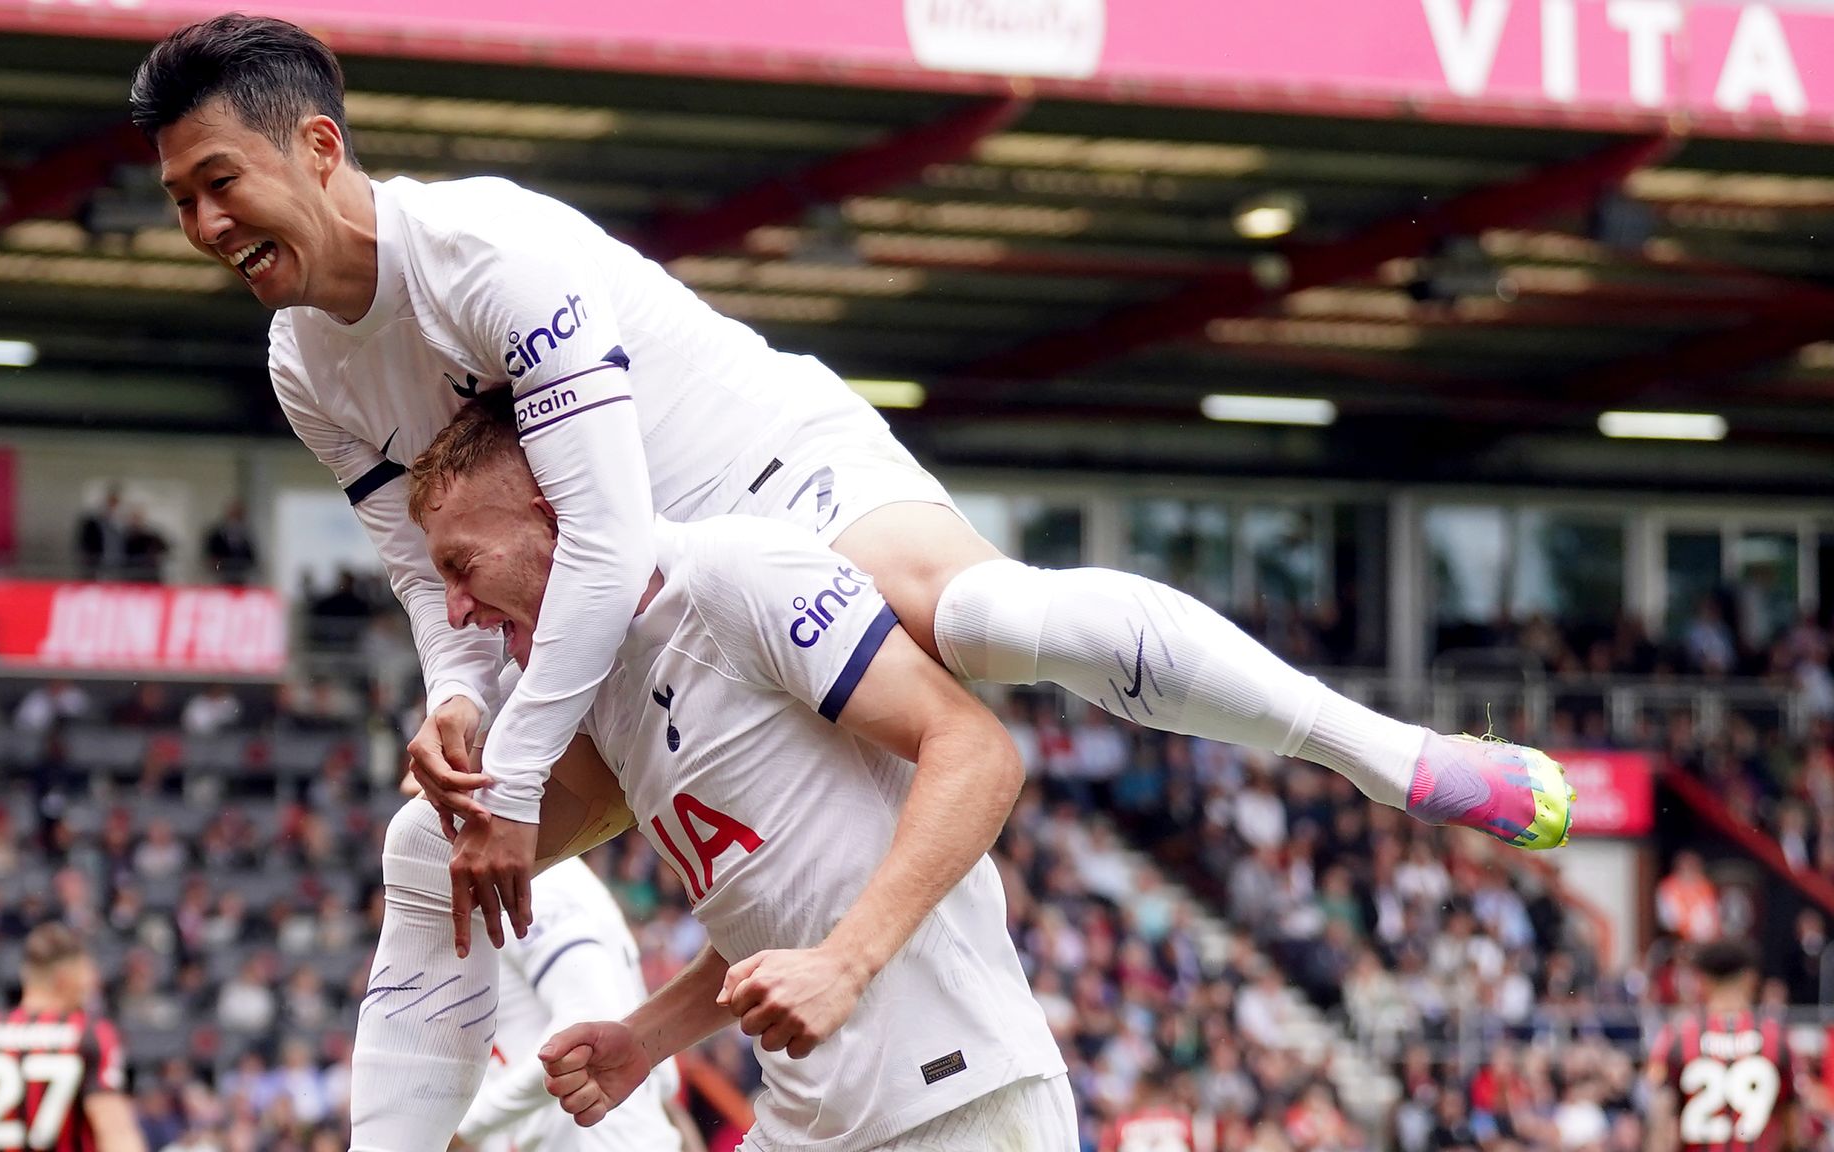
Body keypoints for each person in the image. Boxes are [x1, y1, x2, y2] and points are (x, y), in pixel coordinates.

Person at [130, 14, 1574, 938]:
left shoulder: (489, 252)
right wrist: (455, 703)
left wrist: (512, 764)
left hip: (778, 484)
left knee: (978, 622)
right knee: (423, 859)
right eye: (181, 199)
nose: (201, 223)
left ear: (319, 148)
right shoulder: (303, 367)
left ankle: (1393, 759)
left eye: (219, 182)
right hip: (637, 612)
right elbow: (426, 574)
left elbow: (609, 526)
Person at [348, 403, 1066, 1152]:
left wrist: (846, 962)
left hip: (957, 1098)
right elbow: (773, 915)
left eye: (462, 567)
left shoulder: (737, 573)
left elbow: (979, 750)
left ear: (548, 518)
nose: (456, 611)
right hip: (806, 1118)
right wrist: (645, 1039)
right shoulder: (595, 688)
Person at [452, 857, 687, 1152]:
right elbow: (665, 1079)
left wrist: (465, 1128)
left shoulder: (536, 881)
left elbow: (589, 1022)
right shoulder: (569, 878)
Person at [0, 923, 146, 1152]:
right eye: (86, 975)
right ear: (63, 978)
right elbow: (116, 1132)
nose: (90, 985)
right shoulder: (89, 1035)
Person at [1644, 938, 1806, 1152]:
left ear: (1702, 981)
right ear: (1751, 979)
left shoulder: (1677, 1037)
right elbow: (1794, 1131)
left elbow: (1660, 1125)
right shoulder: (1777, 1038)